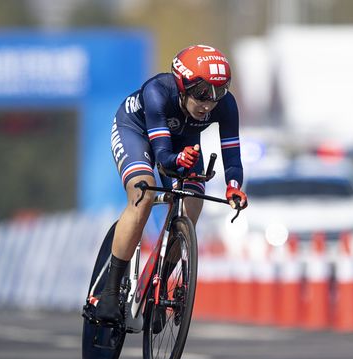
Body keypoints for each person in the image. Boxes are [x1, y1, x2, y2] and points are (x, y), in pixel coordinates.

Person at [96, 44, 248, 323]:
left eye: (219, 92)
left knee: (192, 203)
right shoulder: (157, 92)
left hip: (182, 143)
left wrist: (234, 186)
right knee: (142, 194)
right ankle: (109, 290)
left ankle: (161, 284)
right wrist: (178, 160)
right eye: (202, 94)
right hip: (138, 131)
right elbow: (164, 157)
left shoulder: (225, 106)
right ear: (182, 85)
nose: (209, 104)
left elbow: (232, 154)